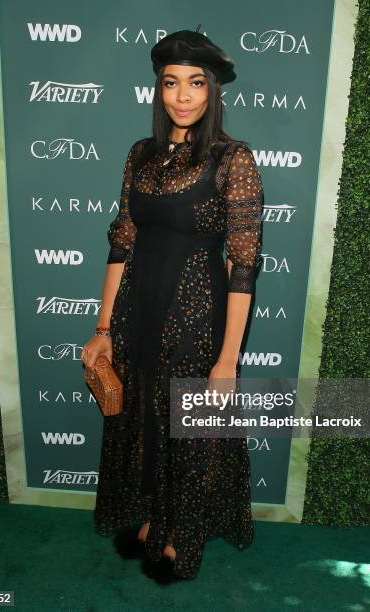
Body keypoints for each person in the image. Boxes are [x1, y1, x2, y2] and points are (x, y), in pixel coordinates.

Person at [81, 26, 264, 582]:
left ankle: (180, 533)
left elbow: (244, 264)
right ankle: (153, 516)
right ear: (158, 91)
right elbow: (122, 241)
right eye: (170, 83)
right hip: (139, 312)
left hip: (198, 318)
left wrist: (228, 359)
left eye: (195, 83)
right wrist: (104, 326)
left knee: (188, 431)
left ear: (212, 90)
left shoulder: (232, 159)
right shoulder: (140, 154)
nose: (182, 95)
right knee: (144, 420)